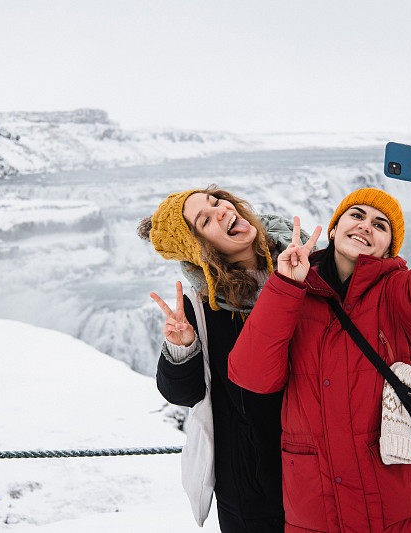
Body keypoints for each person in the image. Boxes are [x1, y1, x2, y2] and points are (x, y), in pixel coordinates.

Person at [228, 148, 411, 532]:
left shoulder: (401, 297)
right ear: (333, 228)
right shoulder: (292, 294)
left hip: (407, 504)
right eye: (356, 215)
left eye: (381, 225)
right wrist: (283, 287)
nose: (365, 226)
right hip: (319, 505)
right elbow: (251, 374)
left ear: (389, 247)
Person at [137, 185, 320, 532]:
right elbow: (184, 394)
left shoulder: (307, 267)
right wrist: (182, 348)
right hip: (253, 484)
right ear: (201, 248)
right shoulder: (202, 307)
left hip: (322, 463)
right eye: (205, 219)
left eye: (216, 202)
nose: (221, 210)